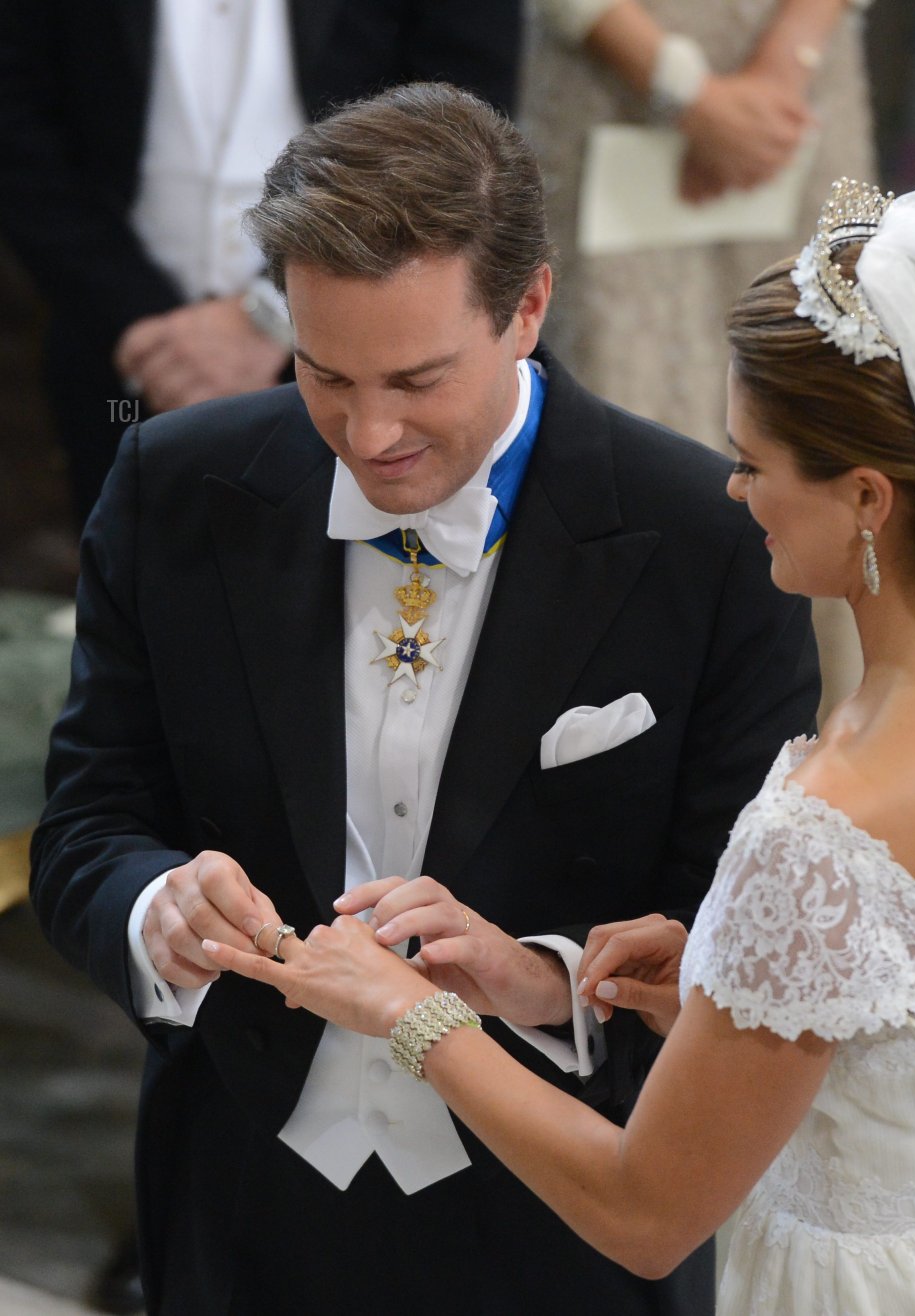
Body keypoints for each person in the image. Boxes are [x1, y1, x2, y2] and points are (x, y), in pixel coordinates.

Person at [205, 180, 915, 1314]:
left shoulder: (830, 818)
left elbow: (644, 1214)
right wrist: (739, 992)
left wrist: (406, 1012)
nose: (734, 490)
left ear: (868, 496)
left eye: (756, 459)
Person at [28, 84, 819, 1314]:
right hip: (240, 1202)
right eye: (323, 371)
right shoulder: (172, 486)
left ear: (530, 306)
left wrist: (549, 975)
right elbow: (86, 823)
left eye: (417, 376)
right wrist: (153, 911)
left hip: (564, 1222)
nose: (368, 429)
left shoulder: (706, 540)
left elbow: (739, 924)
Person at [0, 0, 521, 527]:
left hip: (368, 362)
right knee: (127, 583)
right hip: (123, 357)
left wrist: (272, 315)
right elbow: (16, 127)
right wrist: (142, 323)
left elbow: (464, 130)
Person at [522, 0, 876, 721]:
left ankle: (834, 759)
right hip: (611, 87)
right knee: (628, 420)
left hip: (801, 96)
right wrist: (686, 91)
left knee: (825, 423)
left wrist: (783, 67)